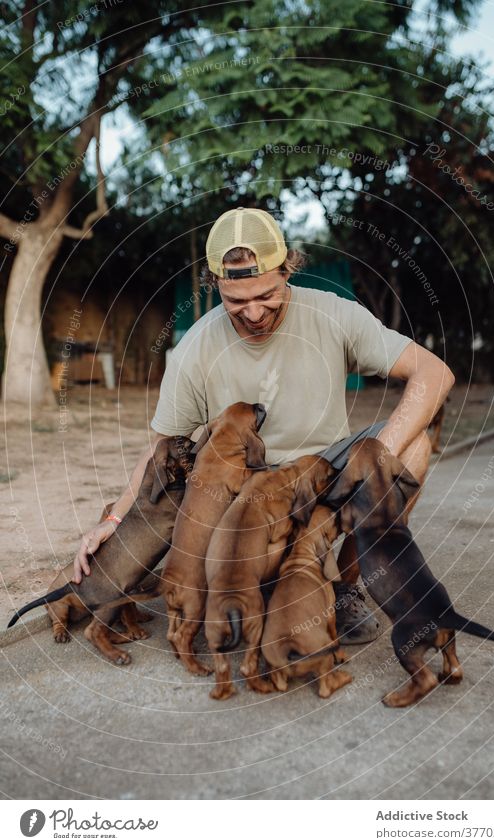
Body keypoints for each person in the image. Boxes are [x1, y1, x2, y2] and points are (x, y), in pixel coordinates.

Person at [73, 207, 454, 643]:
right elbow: (161, 448)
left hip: (321, 481)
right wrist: (117, 518)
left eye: (267, 295)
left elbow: (435, 373)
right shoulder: (195, 348)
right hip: (240, 503)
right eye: (237, 301)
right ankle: (252, 581)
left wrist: (375, 457)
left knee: (413, 449)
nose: (254, 313)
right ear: (215, 283)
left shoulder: (333, 314)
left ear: (287, 269)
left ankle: (345, 588)